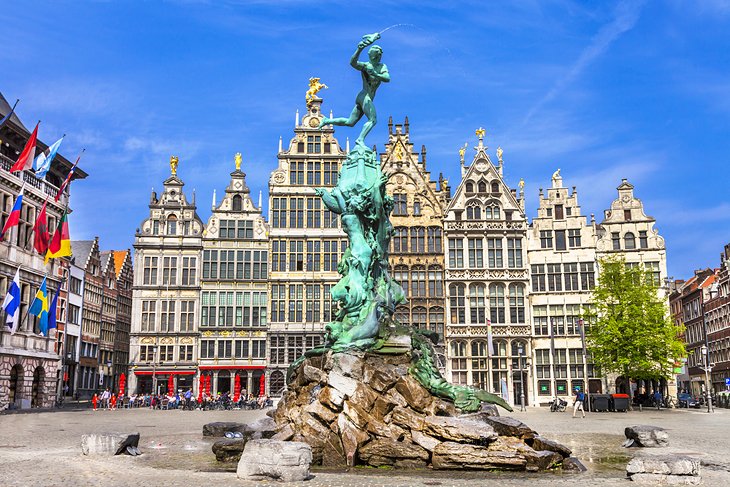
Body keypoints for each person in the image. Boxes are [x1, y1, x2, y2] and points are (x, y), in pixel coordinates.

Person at [318, 33, 390, 146]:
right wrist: (359, 49)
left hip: (363, 97)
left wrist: (375, 74)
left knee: (350, 122)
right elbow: (353, 63)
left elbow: (387, 78)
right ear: (375, 56)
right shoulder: (366, 66)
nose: (379, 57)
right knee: (373, 120)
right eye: (378, 55)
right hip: (365, 96)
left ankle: (327, 120)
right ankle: (360, 139)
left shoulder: (381, 67)